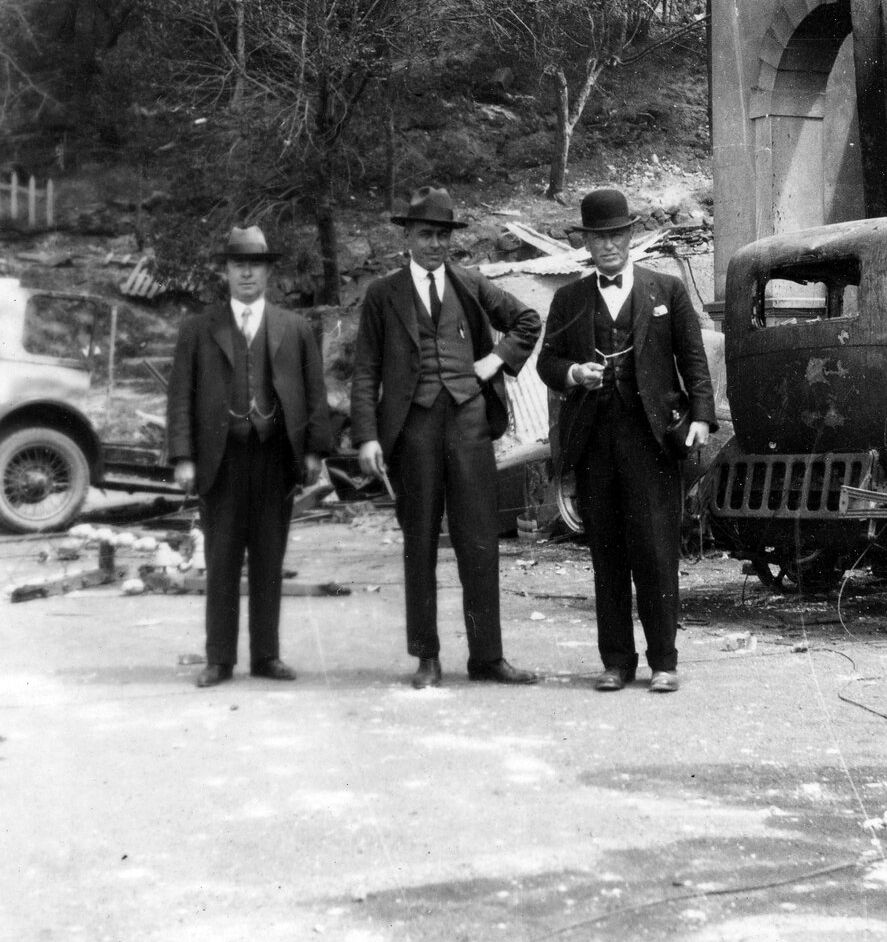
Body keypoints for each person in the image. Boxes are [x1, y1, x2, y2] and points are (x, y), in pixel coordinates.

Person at [351, 186, 542, 689]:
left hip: (469, 426)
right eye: (425, 234)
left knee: (479, 541)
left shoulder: (470, 283)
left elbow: (527, 320)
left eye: (442, 235)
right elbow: (366, 370)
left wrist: (494, 360)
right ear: (408, 238)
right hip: (412, 431)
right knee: (419, 543)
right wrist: (367, 437)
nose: (435, 244)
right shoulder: (383, 295)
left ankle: (487, 657)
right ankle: (427, 657)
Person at [537, 188, 717, 693]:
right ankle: (616, 662)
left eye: (616, 235)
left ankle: (664, 662)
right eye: (598, 237)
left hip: (651, 441)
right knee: (607, 555)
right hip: (593, 443)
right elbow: (546, 363)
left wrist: (702, 416)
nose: (609, 245)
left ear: (630, 236)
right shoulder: (569, 299)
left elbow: (692, 357)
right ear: (586, 243)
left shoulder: (667, 289)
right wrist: (575, 373)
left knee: (657, 552)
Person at [166, 225, 332, 688]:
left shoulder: (294, 328)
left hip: (275, 458)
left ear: (267, 272)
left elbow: (315, 392)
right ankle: (219, 659)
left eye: (254, 265)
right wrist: (183, 457)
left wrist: (315, 451)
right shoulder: (199, 329)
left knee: (268, 558)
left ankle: (266, 656)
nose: (246, 274)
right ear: (226, 271)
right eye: (238, 265)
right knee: (221, 559)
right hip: (220, 460)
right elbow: (180, 396)